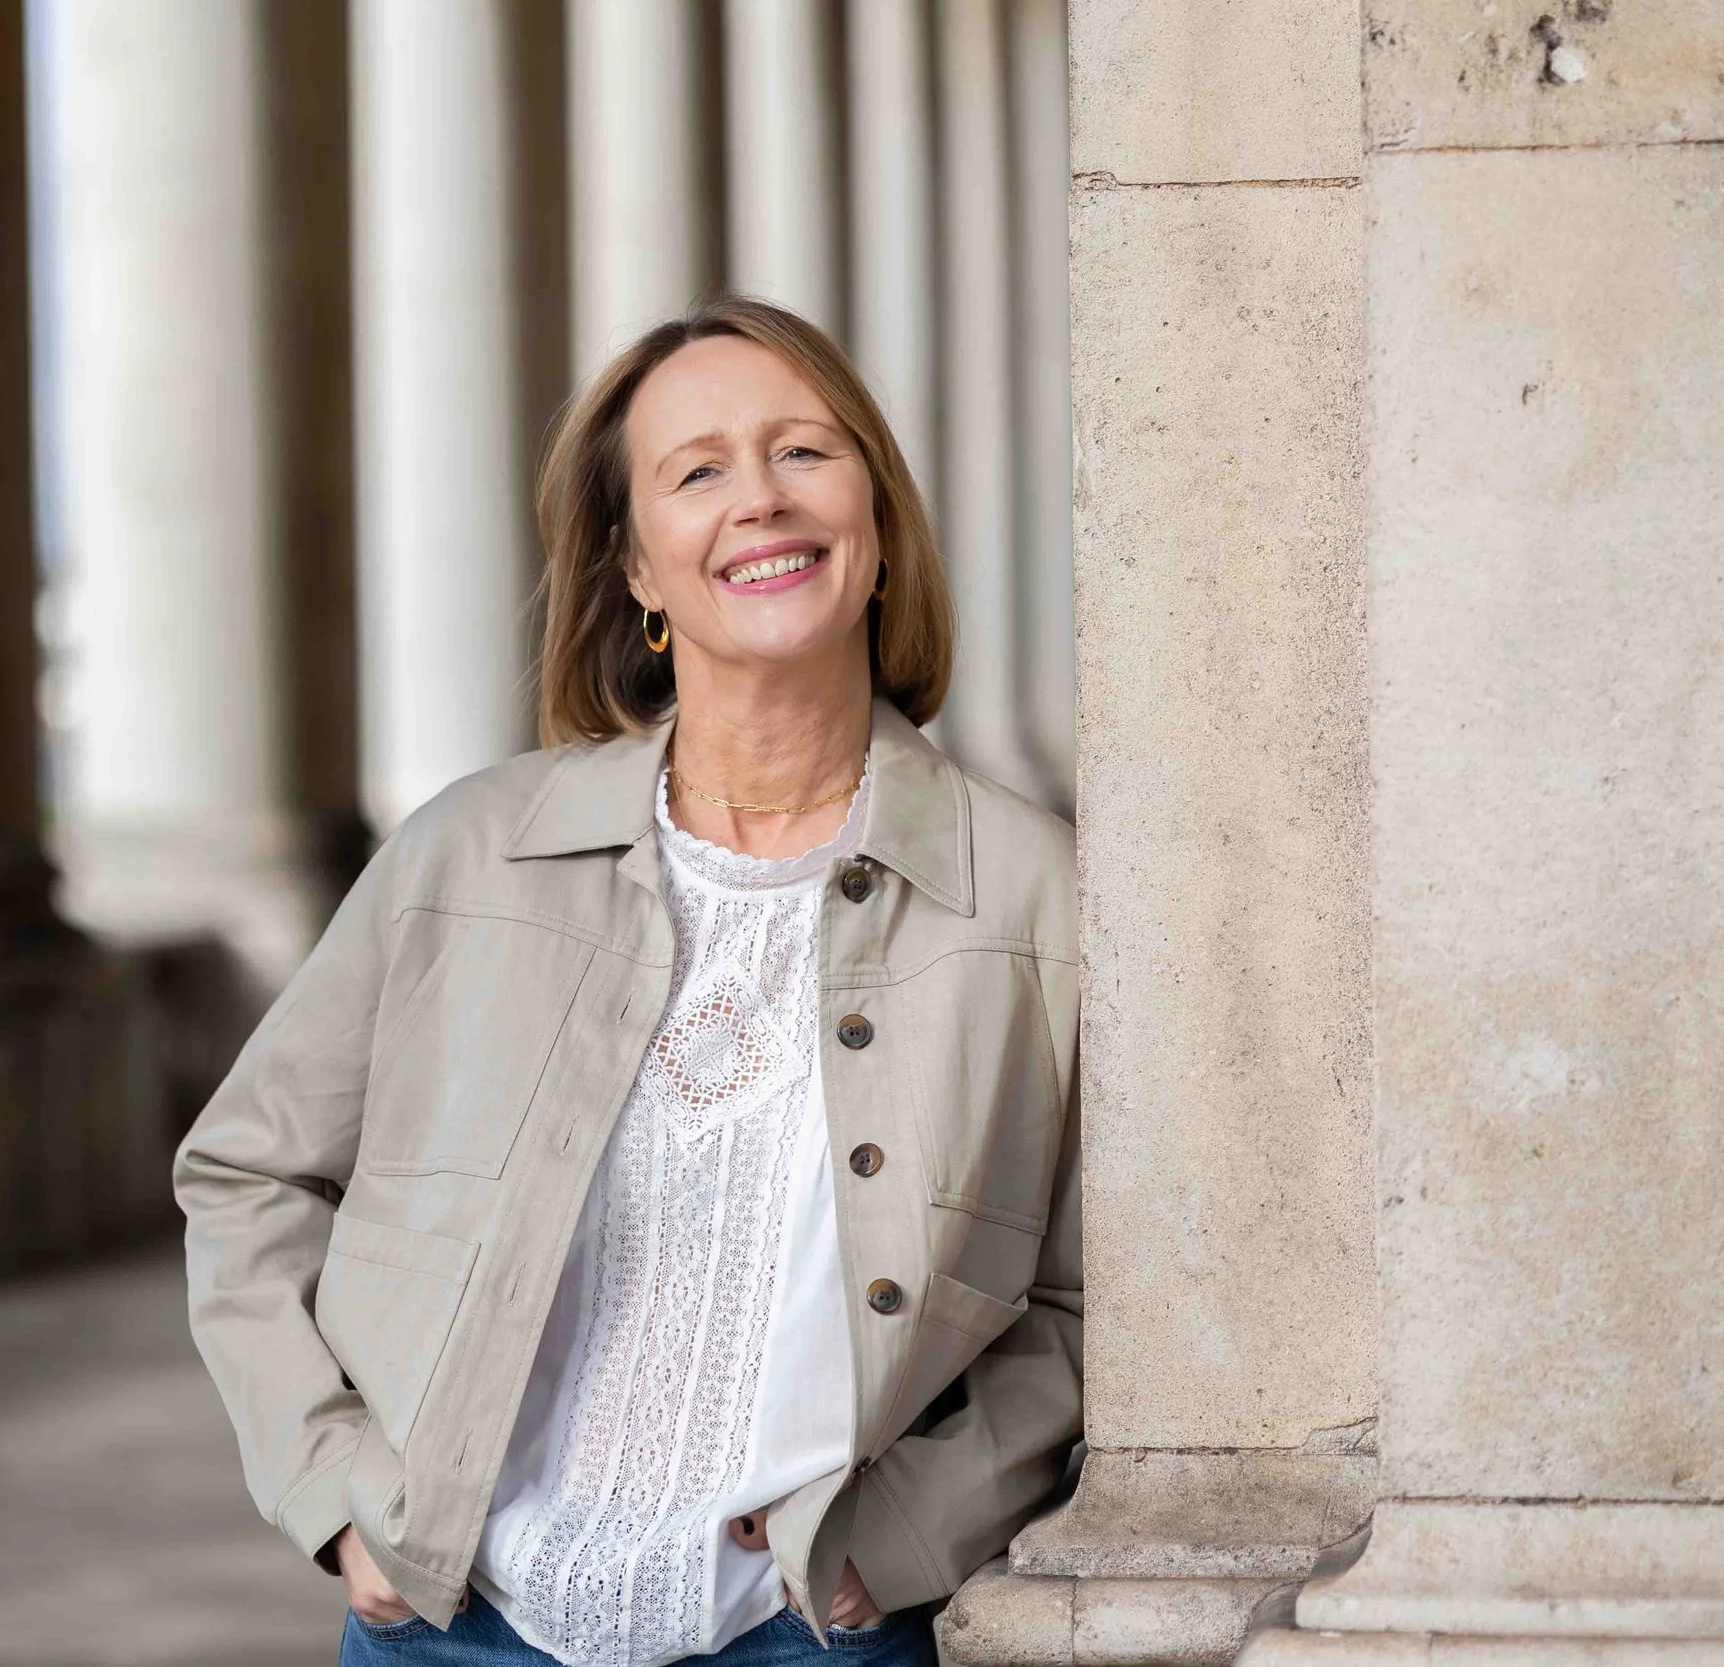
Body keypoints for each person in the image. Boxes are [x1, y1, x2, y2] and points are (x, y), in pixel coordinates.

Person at [177, 295, 1081, 1667]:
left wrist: (896, 1542)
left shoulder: (1040, 899)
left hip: (807, 1637)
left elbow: (1100, 1296)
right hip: (453, 1633)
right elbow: (249, 1174)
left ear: (878, 519)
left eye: (806, 453)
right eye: (698, 471)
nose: (760, 502)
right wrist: (336, 1488)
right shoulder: (470, 854)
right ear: (640, 571)